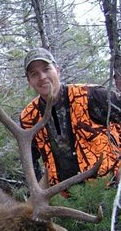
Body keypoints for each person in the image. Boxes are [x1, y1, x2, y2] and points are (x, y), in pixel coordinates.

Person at [20, 47, 121, 189]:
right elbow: (30, 160)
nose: (42, 77)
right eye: (34, 74)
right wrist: (39, 193)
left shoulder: (90, 96)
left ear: (58, 70)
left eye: (46, 69)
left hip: (110, 189)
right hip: (66, 199)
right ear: (29, 81)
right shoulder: (29, 117)